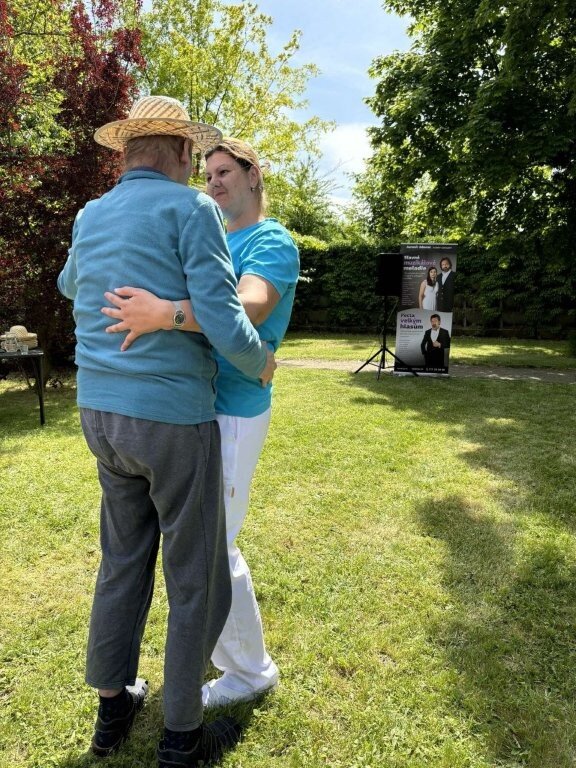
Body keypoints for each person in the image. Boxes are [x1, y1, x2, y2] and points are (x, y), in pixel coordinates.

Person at [57, 96, 276, 768]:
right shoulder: (192, 210)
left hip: (100, 414)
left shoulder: (91, 214)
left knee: (122, 562)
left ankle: (112, 708)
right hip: (172, 419)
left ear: (127, 151)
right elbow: (222, 315)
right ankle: (181, 736)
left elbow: (70, 283)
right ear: (182, 151)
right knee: (196, 577)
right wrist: (261, 362)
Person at [100, 138, 299, 708]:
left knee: (216, 548)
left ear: (254, 175)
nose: (213, 183)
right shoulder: (209, 232)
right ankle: (223, 649)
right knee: (199, 544)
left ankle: (250, 672)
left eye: (225, 172)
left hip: (234, 406)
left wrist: (164, 313)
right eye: (208, 174)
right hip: (190, 406)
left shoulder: (271, 241)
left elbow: (247, 308)